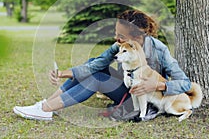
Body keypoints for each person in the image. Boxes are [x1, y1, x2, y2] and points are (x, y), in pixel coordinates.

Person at [13, 9, 191, 121]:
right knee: (94, 65)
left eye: (121, 36)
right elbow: (95, 64)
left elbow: (185, 83)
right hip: (126, 88)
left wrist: (158, 85)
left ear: (137, 38)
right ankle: (47, 104)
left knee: (97, 78)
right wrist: (62, 73)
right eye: (116, 33)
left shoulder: (159, 49)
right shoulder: (119, 46)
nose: (116, 39)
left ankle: (46, 109)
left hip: (143, 99)